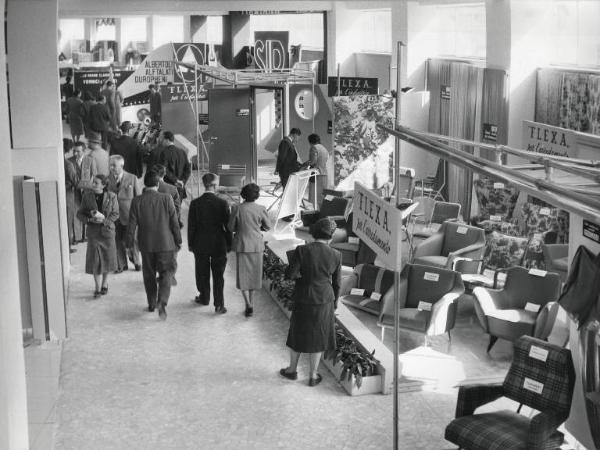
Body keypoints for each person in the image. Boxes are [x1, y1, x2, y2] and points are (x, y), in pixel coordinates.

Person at [280, 218, 341, 387]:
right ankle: (313, 375)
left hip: (304, 296)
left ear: (313, 233)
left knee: (298, 332)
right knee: (320, 336)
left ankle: (292, 370)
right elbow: (337, 283)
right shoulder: (337, 254)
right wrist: (334, 304)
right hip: (325, 299)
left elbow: (290, 274)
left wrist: (304, 278)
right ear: (331, 237)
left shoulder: (302, 250)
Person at [127, 171, 181, 320]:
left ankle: (151, 303)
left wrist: (129, 244)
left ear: (145, 184)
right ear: (158, 184)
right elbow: (174, 223)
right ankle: (162, 302)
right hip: (166, 243)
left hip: (146, 244)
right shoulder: (166, 198)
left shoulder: (137, 201)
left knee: (149, 274)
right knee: (167, 273)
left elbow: (131, 225)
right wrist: (178, 240)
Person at [188, 173, 231, 314]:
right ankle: (219, 304)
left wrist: (191, 244)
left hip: (200, 243)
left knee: (202, 273)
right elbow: (228, 227)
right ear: (214, 185)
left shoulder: (195, 203)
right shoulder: (223, 203)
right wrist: (229, 244)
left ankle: (204, 297)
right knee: (218, 275)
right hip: (219, 243)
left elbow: (191, 226)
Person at [228, 183, 271, 317]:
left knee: (243, 275)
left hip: (242, 244)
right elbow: (268, 226)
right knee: (254, 275)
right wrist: (259, 228)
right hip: (256, 245)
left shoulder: (236, 208)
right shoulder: (261, 209)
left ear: (243, 194)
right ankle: (252, 302)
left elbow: (230, 227)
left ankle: (248, 304)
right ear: (257, 196)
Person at [76, 174, 119, 298]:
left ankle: (104, 284)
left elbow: (115, 214)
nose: (93, 184)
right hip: (93, 233)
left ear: (104, 185)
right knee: (94, 261)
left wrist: (104, 221)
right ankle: (97, 287)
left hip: (107, 232)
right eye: (93, 182)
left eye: (96, 183)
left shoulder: (112, 196)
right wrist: (89, 220)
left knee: (107, 259)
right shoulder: (87, 196)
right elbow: (80, 214)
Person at [107, 155, 142, 273]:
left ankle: (136, 260)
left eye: (114, 165)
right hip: (114, 216)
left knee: (132, 240)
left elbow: (139, 198)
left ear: (122, 166)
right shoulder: (108, 179)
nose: (111, 168)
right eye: (110, 165)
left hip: (129, 215)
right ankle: (121, 265)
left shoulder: (132, 178)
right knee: (116, 240)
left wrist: (139, 216)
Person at [158, 131, 191, 200]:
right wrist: (182, 181)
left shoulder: (164, 153)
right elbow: (188, 169)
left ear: (167, 140)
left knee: (168, 209)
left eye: (162, 139)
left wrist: (175, 180)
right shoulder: (182, 152)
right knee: (178, 208)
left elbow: (164, 169)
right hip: (180, 188)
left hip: (168, 188)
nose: (161, 141)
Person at [69, 141, 87, 243]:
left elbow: (94, 175)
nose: (75, 153)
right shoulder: (69, 162)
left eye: (78, 151)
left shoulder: (89, 161)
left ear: (84, 151)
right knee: (76, 213)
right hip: (74, 191)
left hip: (86, 191)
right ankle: (77, 237)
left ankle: (85, 236)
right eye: (74, 151)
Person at [63, 139, 79, 252]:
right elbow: (76, 181)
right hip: (68, 195)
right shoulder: (68, 164)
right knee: (68, 220)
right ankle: (67, 246)